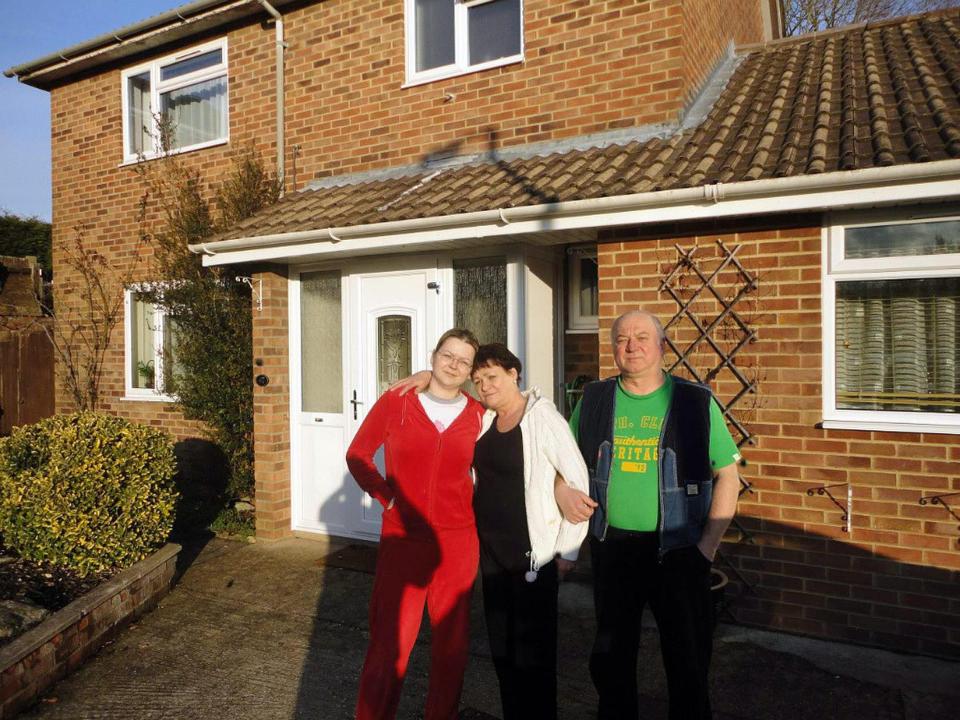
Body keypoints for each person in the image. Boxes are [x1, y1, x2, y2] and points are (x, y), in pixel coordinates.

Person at [559, 309, 741, 720]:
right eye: (622, 338)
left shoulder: (694, 402)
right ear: (613, 348)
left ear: (661, 346)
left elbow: (728, 476)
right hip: (613, 547)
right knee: (611, 657)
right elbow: (562, 463)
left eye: (642, 337)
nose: (632, 346)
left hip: (680, 551)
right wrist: (562, 492)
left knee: (687, 659)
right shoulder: (594, 400)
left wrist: (706, 548)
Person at [346, 328, 484, 720]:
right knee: (391, 643)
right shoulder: (398, 402)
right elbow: (358, 454)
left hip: (457, 543)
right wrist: (387, 498)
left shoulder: (478, 415)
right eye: (448, 355)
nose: (454, 365)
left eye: (464, 361)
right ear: (433, 355)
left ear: (471, 370)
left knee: (451, 647)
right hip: (403, 540)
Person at [470, 343, 590, 720]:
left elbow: (577, 480)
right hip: (491, 556)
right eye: (477, 380)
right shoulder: (485, 420)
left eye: (491, 376)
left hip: (532, 557)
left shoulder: (542, 417)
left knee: (532, 661)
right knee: (503, 654)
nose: (484, 386)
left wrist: (568, 551)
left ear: (513, 373)